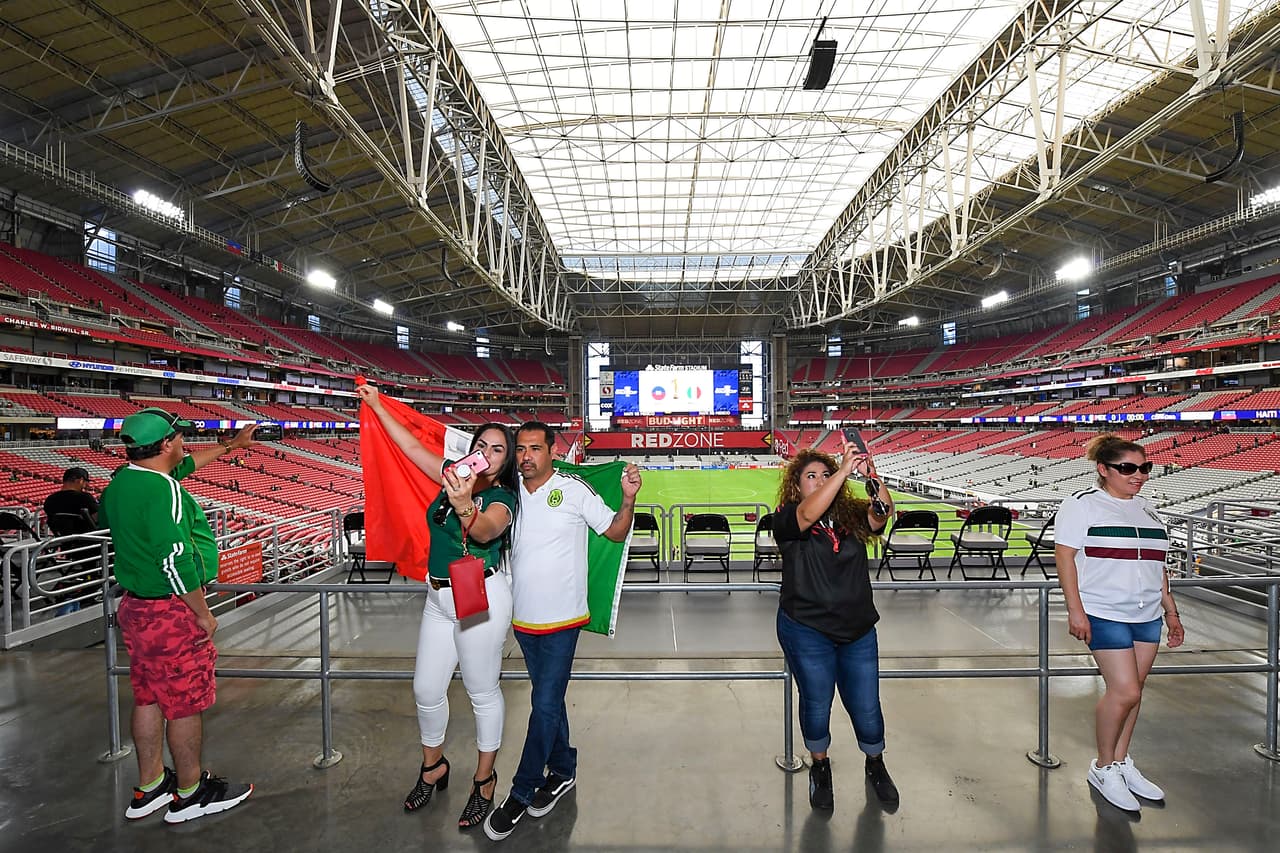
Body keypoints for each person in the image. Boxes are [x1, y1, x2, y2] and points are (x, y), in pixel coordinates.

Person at [356, 384, 517, 829]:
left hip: (480, 598)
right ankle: (434, 766)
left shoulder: (502, 496)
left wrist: (466, 505)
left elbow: (486, 532)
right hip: (438, 595)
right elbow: (407, 446)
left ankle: (484, 781)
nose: (486, 453)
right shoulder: (452, 474)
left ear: (506, 463)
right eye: (481, 444)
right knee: (426, 690)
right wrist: (377, 406)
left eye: (497, 449)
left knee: (482, 691)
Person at [484, 421, 642, 842]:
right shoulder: (509, 494)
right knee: (548, 703)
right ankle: (564, 769)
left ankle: (520, 791)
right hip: (524, 620)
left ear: (553, 451)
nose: (525, 456)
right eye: (520, 449)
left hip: (563, 621)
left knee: (545, 703)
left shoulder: (573, 490)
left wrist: (627, 500)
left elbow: (614, 530)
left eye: (535, 448)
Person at [100, 408, 258, 824]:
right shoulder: (163, 492)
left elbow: (180, 469)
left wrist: (230, 446)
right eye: (179, 438)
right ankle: (190, 791)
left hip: (136, 607)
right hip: (170, 610)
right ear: (167, 444)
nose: (184, 443)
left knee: (148, 696)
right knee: (185, 703)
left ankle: (150, 785)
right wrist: (202, 613)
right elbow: (174, 559)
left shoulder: (123, 482)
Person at [1056, 434, 1184, 812]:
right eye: (1128, 468)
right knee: (1124, 691)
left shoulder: (1147, 508)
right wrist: (1075, 610)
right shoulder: (1082, 505)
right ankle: (1103, 765)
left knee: (1136, 691)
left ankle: (1122, 762)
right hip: (1103, 610)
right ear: (1103, 469)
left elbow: (1157, 566)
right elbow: (1064, 559)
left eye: (1144, 467)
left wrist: (1171, 611)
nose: (1139, 475)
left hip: (1147, 615)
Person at [773, 444, 899, 812]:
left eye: (825, 474)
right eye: (811, 476)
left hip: (857, 628)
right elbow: (806, 515)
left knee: (867, 708)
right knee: (817, 704)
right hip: (806, 628)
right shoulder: (786, 518)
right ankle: (820, 767)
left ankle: (875, 763)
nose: (820, 480)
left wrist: (872, 475)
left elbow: (881, 516)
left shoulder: (849, 518)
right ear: (797, 488)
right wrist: (843, 472)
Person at [43, 466, 98, 535]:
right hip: (89, 540)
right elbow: (97, 518)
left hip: (64, 541)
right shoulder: (85, 497)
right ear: (80, 480)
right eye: (85, 482)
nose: (86, 485)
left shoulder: (49, 500)